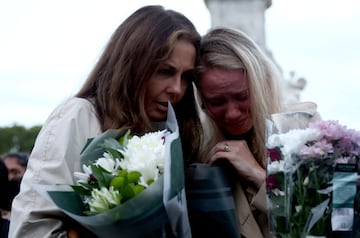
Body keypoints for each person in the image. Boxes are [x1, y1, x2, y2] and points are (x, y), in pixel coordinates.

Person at [9, 5, 202, 237]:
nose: (177, 89)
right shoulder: (78, 117)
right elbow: (31, 230)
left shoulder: (182, 131)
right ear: (132, 66)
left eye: (186, 77)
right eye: (164, 71)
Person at [194, 27, 320, 238]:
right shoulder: (199, 150)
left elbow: (322, 221)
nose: (232, 113)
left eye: (242, 96)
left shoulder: (303, 129)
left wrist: (258, 175)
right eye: (217, 102)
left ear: (263, 84)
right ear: (202, 101)